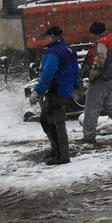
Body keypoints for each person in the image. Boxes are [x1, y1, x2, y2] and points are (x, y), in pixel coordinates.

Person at [32, 26, 80, 165]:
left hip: (56, 90)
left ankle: (62, 155)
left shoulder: (54, 53)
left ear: (53, 36)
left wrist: (38, 91)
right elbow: (76, 69)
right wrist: (76, 87)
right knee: (47, 119)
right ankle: (56, 150)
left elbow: (48, 74)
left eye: (47, 36)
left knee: (56, 123)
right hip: (65, 90)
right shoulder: (69, 50)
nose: (46, 39)